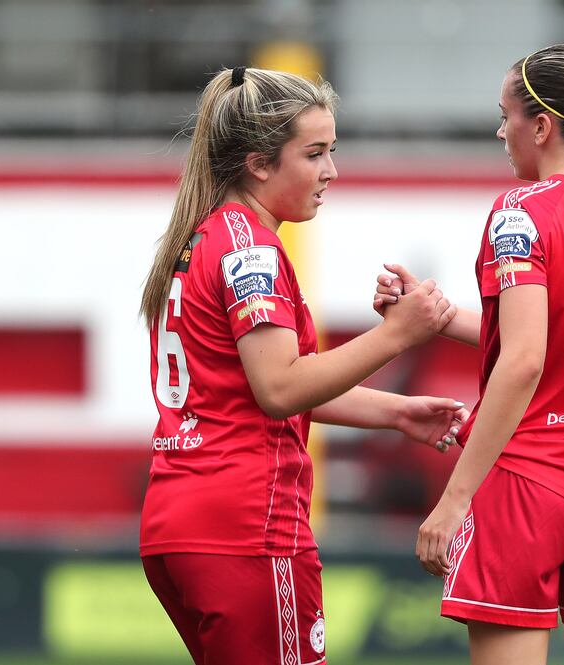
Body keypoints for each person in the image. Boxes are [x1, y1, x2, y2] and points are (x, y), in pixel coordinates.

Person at [138, 66, 467, 665]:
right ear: (259, 163)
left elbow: (261, 383)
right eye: (314, 153)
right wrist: (397, 334)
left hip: (178, 520)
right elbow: (281, 388)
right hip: (248, 527)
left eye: (331, 151)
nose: (331, 171)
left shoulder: (204, 236)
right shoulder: (251, 250)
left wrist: (396, 412)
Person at [374, 44, 564, 665]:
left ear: (541, 126)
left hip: (528, 481)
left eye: (505, 114)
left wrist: (454, 498)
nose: (499, 131)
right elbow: (560, 339)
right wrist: (433, 315)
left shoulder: (521, 211)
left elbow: (525, 359)